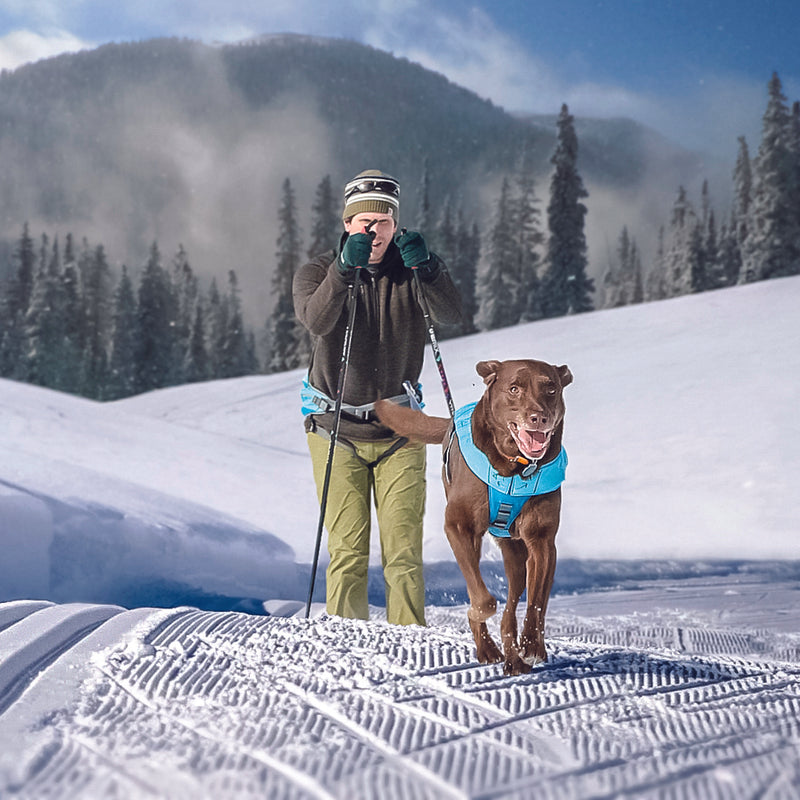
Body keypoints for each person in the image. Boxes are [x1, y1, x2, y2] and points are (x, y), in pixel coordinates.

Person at [293, 169, 462, 626]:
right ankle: (346, 647)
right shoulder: (317, 271)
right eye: (364, 221)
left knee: (403, 552)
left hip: (400, 429)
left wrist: (429, 270)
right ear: (347, 223)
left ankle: (408, 646)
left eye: (383, 221)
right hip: (335, 429)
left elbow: (450, 313)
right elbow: (317, 320)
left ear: (395, 224)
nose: (374, 230)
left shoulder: (410, 269)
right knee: (347, 552)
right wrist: (343, 272)